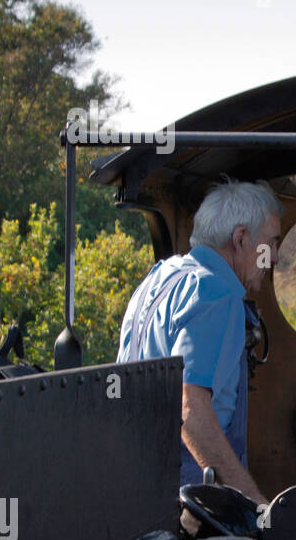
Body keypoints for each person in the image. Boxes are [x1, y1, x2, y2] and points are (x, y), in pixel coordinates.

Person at [116, 179, 283, 504]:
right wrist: (254, 504)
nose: (274, 258)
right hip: (187, 501)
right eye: (271, 244)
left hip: (136, 488)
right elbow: (189, 406)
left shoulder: (159, 279)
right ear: (241, 238)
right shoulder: (215, 293)